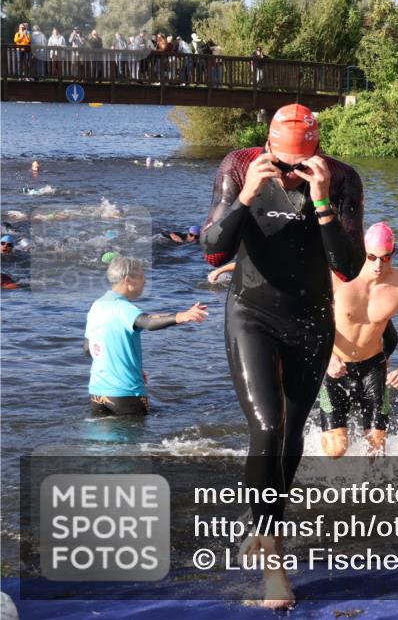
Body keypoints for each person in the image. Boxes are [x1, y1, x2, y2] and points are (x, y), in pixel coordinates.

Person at [200, 103, 374, 608]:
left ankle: (263, 530)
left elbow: (347, 266)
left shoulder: (340, 179)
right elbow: (213, 250)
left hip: (311, 319)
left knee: (293, 435)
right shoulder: (238, 167)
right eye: (283, 164)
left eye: (300, 164)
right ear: (269, 149)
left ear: (315, 152)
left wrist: (320, 200)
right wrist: (249, 194)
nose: (290, 174)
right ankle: (273, 558)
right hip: (251, 313)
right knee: (268, 429)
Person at [318, 222, 398, 458]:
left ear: (393, 253)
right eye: (372, 257)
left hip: (373, 369)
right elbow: (306, 321)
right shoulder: (339, 278)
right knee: (337, 450)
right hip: (336, 369)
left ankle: (369, 493)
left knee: (376, 452)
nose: (379, 264)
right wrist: (327, 356)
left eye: (386, 258)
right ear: (364, 250)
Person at [84, 256, 208, 416]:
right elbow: (147, 321)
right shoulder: (123, 307)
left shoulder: (96, 306)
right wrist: (182, 316)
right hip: (126, 392)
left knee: (101, 440)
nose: (145, 281)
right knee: (135, 440)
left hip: (97, 392)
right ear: (128, 280)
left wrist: (125, 364)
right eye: (142, 276)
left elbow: (88, 349)